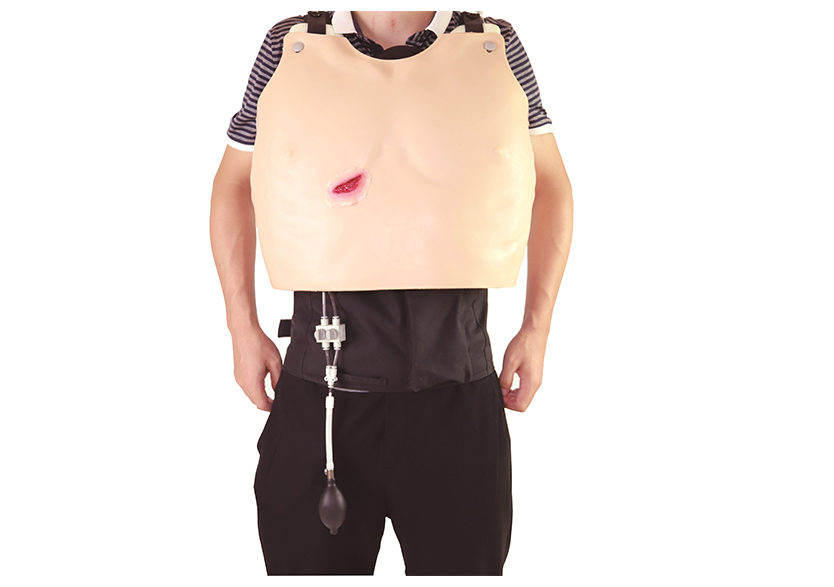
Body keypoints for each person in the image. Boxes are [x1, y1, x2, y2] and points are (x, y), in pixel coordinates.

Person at [210, 10, 573, 576]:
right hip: (320, 393)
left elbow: (550, 183)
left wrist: (537, 328)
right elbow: (234, 181)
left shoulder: (494, 45)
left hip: (457, 396)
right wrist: (241, 326)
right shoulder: (288, 44)